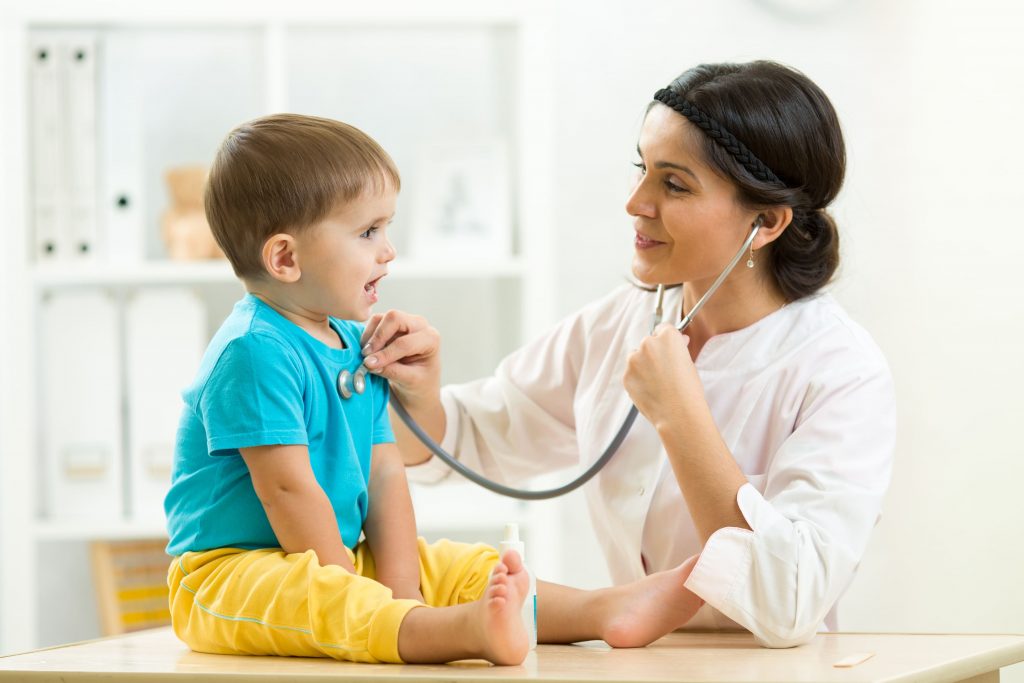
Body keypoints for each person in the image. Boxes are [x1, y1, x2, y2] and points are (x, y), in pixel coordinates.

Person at [359, 61, 898, 648]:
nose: (635, 203)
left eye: (674, 184)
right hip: (637, 662)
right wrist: (419, 398)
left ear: (764, 222)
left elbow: (787, 603)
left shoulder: (841, 371)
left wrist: (680, 416)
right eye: (643, 170)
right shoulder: (621, 321)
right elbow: (472, 439)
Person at [163, 113, 709, 667]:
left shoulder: (354, 343)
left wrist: (401, 587)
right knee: (324, 599)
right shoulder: (254, 352)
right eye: (368, 232)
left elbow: (384, 470)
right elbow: (289, 494)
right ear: (285, 258)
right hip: (231, 572)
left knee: (457, 568)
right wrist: (357, 591)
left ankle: (600, 610)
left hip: (333, 556)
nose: (388, 251)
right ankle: (462, 633)